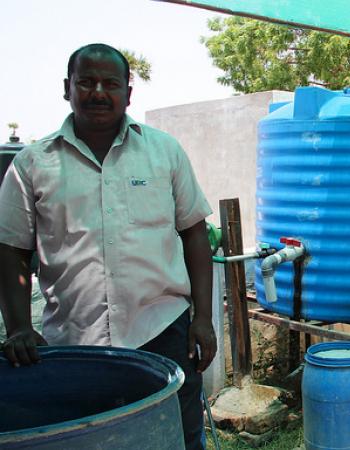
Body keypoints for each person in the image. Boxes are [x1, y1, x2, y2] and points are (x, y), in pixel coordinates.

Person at [0, 43, 216, 450]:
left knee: (177, 439)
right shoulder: (32, 163)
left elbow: (194, 234)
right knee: (88, 441)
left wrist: (202, 318)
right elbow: (10, 250)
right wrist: (18, 328)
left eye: (111, 83)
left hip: (163, 331)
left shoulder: (164, 151)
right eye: (86, 82)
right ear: (67, 88)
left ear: (128, 94)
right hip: (73, 344)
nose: (98, 92)